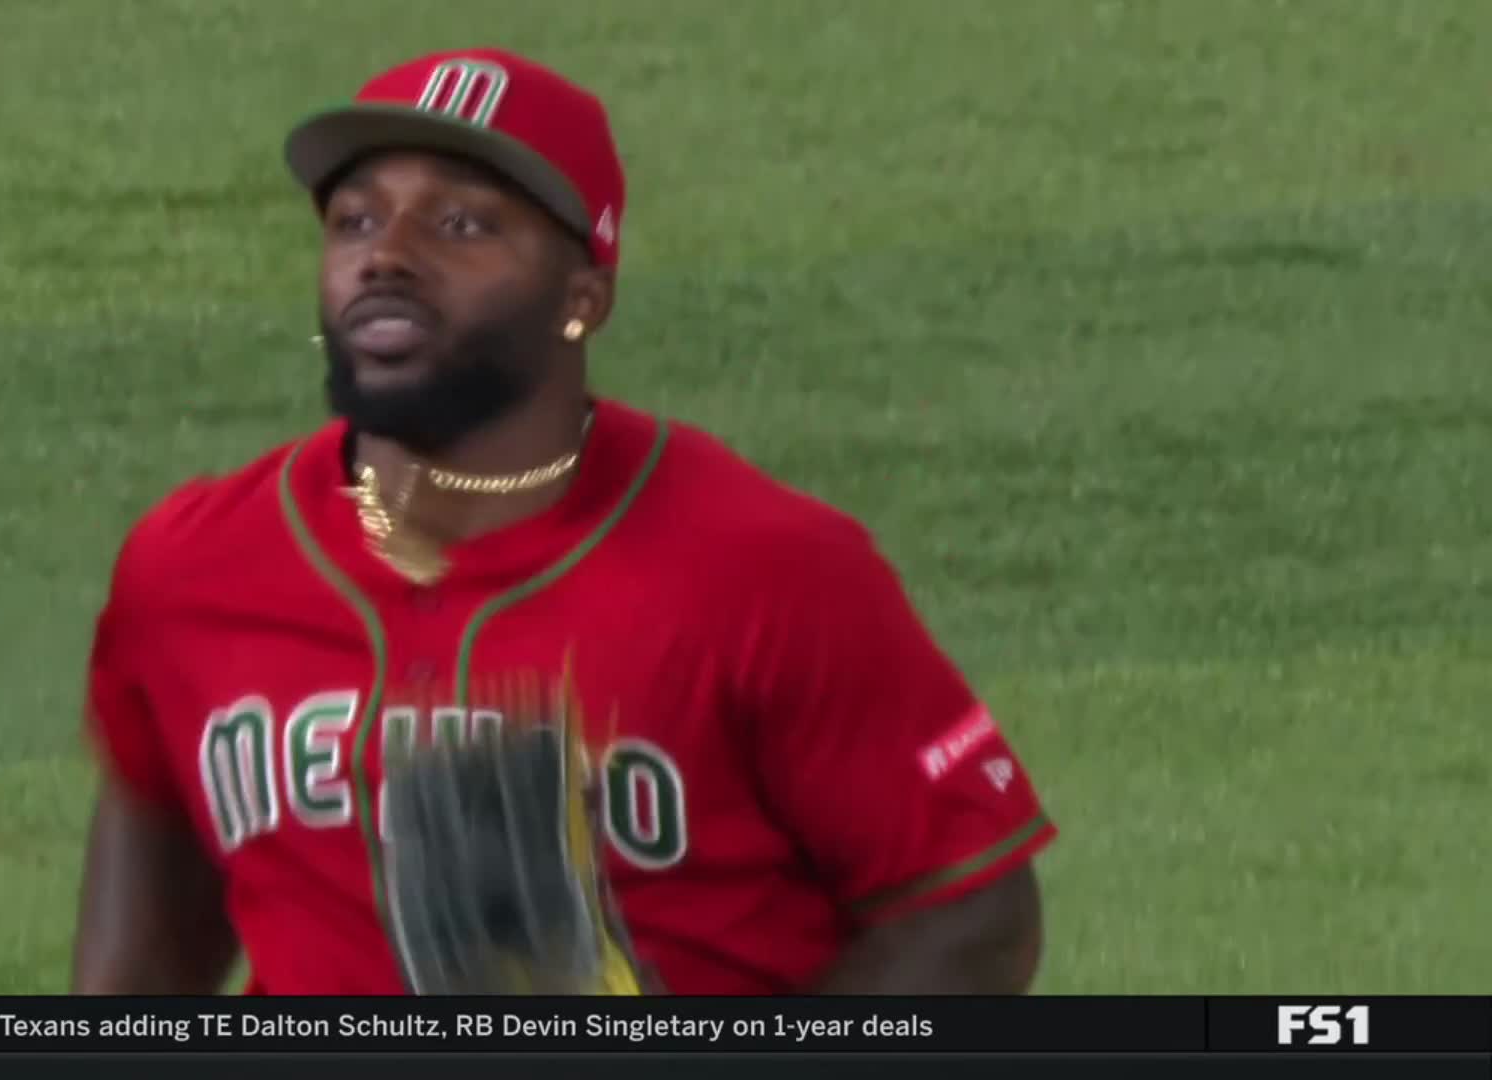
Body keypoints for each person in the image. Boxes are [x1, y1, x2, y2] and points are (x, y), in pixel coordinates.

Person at [71, 47, 1056, 996]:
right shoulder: (188, 570)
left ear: (582, 297)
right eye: (357, 221)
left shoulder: (770, 571)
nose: (387, 258)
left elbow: (973, 918)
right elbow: (148, 950)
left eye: (460, 227)